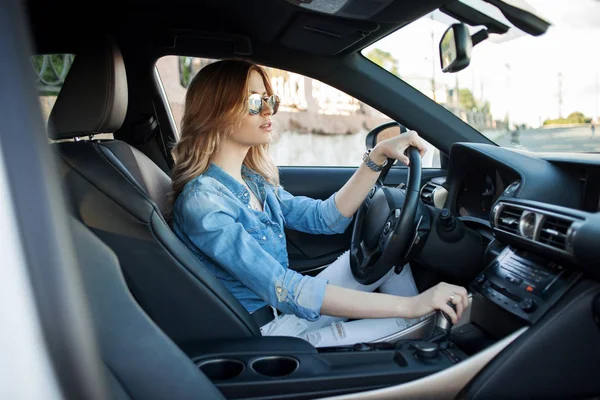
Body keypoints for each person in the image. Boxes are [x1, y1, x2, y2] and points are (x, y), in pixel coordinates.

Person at [168, 59, 468, 347]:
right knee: (421, 318)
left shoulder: (255, 182)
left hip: (284, 312)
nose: (268, 111)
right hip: (266, 332)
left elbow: (325, 218)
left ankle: (417, 335)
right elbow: (284, 288)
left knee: (386, 256)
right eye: (255, 102)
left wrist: (377, 157)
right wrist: (412, 306)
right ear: (216, 112)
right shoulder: (203, 202)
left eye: (270, 100)